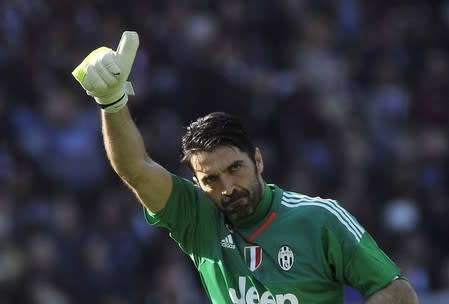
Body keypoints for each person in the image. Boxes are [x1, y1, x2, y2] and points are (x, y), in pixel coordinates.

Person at [72, 31, 419, 304]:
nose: (227, 187)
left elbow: (398, 292)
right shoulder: (198, 218)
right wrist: (112, 103)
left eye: (235, 168)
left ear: (258, 160)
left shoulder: (320, 219)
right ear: (197, 181)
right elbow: (135, 168)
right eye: (211, 179)